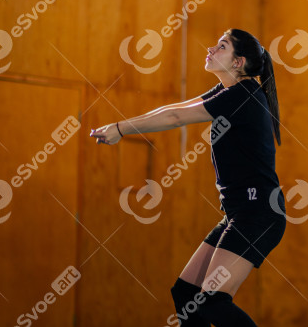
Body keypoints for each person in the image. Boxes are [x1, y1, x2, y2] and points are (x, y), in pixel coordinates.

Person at [90, 28, 285, 327]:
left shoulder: (243, 94)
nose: (210, 48)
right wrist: (121, 125)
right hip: (239, 212)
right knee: (186, 294)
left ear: (238, 62)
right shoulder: (227, 90)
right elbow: (175, 108)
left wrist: (121, 129)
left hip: (258, 214)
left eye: (221, 46)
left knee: (212, 301)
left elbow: (176, 119)